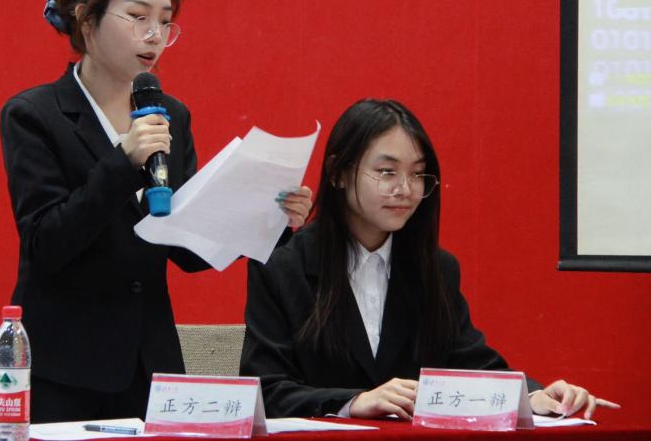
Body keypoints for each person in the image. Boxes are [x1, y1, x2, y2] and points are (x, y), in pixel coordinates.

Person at [0, 0, 312, 422]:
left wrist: (269, 219)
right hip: (64, 369)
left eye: (165, 22)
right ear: (86, 18)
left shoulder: (171, 114)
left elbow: (185, 249)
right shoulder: (34, 114)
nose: (155, 35)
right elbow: (47, 243)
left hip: (150, 364)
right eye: (138, 17)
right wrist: (123, 162)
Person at [240, 99, 620, 421]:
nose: (405, 189)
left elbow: (474, 365)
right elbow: (265, 390)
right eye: (387, 172)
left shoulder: (436, 269)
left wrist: (535, 397)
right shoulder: (282, 265)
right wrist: (353, 402)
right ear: (338, 173)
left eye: (418, 174)